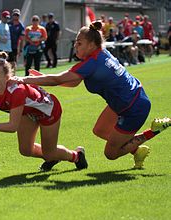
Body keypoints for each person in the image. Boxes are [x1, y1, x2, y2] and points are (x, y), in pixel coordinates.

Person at [13, 21, 171, 169]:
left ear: (91, 44)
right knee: (100, 130)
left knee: (111, 153)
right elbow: (72, 81)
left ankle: (153, 130)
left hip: (133, 107)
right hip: (129, 99)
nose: (76, 46)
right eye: (76, 42)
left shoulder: (92, 63)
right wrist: (39, 79)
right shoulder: (100, 53)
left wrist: (25, 79)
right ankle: (137, 151)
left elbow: (58, 79)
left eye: (79, 43)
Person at [0, 51, 88, 172]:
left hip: (49, 111)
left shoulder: (16, 91)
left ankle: (76, 155)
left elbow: (12, 127)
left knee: (50, 152)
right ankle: (52, 158)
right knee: (26, 150)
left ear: (7, 77)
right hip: (27, 113)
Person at [8, 8, 25, 73]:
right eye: (15, 15)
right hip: (7, 46)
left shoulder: (21, 26)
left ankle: (13, 74)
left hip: (15, 47)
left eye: (17, 15)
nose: (16, 16)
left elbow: (22, 38)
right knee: (6, 62)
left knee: (13, 61)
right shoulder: (8, 24)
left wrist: (20, 49)